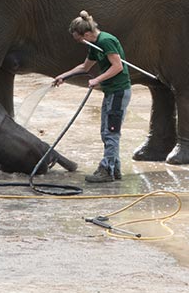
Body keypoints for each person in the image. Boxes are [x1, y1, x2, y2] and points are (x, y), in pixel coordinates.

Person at [54, 10, 132, 183]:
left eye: (79, 39)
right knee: (106, 131)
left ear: (87, 34)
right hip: (110, 91)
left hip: (118, 92)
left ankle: (107, 170)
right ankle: (114, 168)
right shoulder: (94, 44)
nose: (80, 42)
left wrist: (98, 79)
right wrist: (64, 76)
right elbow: (84, 67)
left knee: (111, 131)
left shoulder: (106, 41)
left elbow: (117, 66)